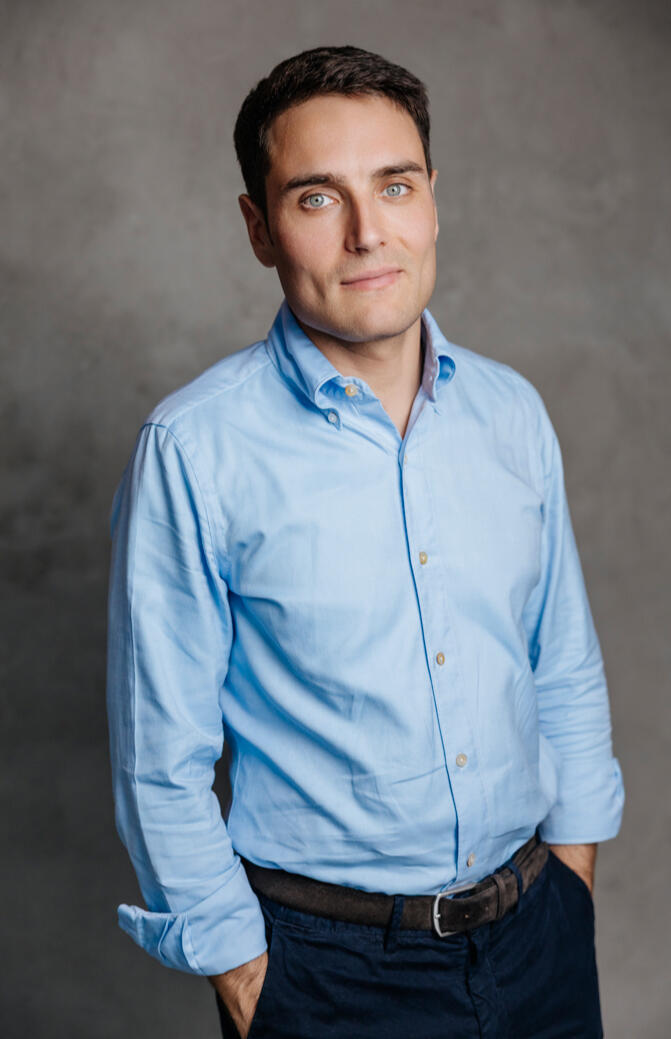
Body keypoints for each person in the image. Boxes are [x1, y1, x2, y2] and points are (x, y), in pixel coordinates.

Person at [106, 45, 625, 1039]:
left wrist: (572, 877)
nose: (366, 232)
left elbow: (558, 662)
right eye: (316, 198)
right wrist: (250, 979)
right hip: (325, 975)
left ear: (431, 199)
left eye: (393, 185)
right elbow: (157, 759)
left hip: (538, 937)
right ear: (259, 229)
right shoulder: (194, 449)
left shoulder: (511, 413)